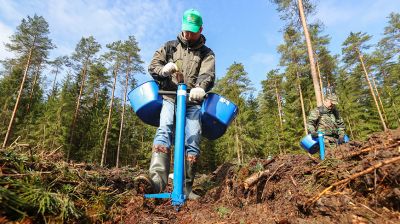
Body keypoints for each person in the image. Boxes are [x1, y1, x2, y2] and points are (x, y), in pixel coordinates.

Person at [134, 9, 215, 200]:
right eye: (186, 30)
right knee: (164, 130)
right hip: (170, 97)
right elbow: (153, 65)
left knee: (193, 140)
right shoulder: (170, 47)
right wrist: (162, 70)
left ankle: (186, 188)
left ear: (201, 29)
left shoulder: (206, 53)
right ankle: (156, 183)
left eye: (193, 31)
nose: (188, 34)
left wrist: (201, 88)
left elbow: (207, 75)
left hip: (192, 101)